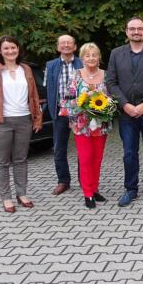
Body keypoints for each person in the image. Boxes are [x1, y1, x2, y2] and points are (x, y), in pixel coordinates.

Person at [105, 17, 143, 206]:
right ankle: (130, 188)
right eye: (132, 29)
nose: (136, 32)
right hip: (126, 113)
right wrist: (124, 104)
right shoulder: (116, 54)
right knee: (129, 153)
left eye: (140, 28)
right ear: (126, 32)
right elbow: (111, 82)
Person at [0, 35, 43, 213]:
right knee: (1, 162)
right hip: (0, 122)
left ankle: (21, 194)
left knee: (21, 159)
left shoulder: (26, 69)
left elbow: (34, 97)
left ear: (18, 49)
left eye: (13, 47)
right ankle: (6, 197)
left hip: (24, 120)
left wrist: (37, 118)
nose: (10, 51)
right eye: (6, 48)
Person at [63, 43, 111, 209]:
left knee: (97, 158)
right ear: (82, 58)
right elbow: (67, 101)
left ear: (99, 58)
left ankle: (95, 188)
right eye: (87, 55)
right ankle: (87, 193)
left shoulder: (106, 75)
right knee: (85, 159)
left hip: (101, 125)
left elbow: (112, 99)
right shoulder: (76, 76)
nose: (91, 58)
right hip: (81, 125)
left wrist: (106, 107)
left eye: (94, 55)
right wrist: (83, 105)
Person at [44, 34, 83, 196]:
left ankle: (84, 180)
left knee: (83, 148)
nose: (66, 45)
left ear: (75, 47)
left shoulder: (82, 62)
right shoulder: (51, 65)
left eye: (69, 43)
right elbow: (48, 88)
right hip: (60, 112)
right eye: (63, 43)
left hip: (80, 112)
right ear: (58, 46)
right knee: (59, 149)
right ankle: (63, 181)